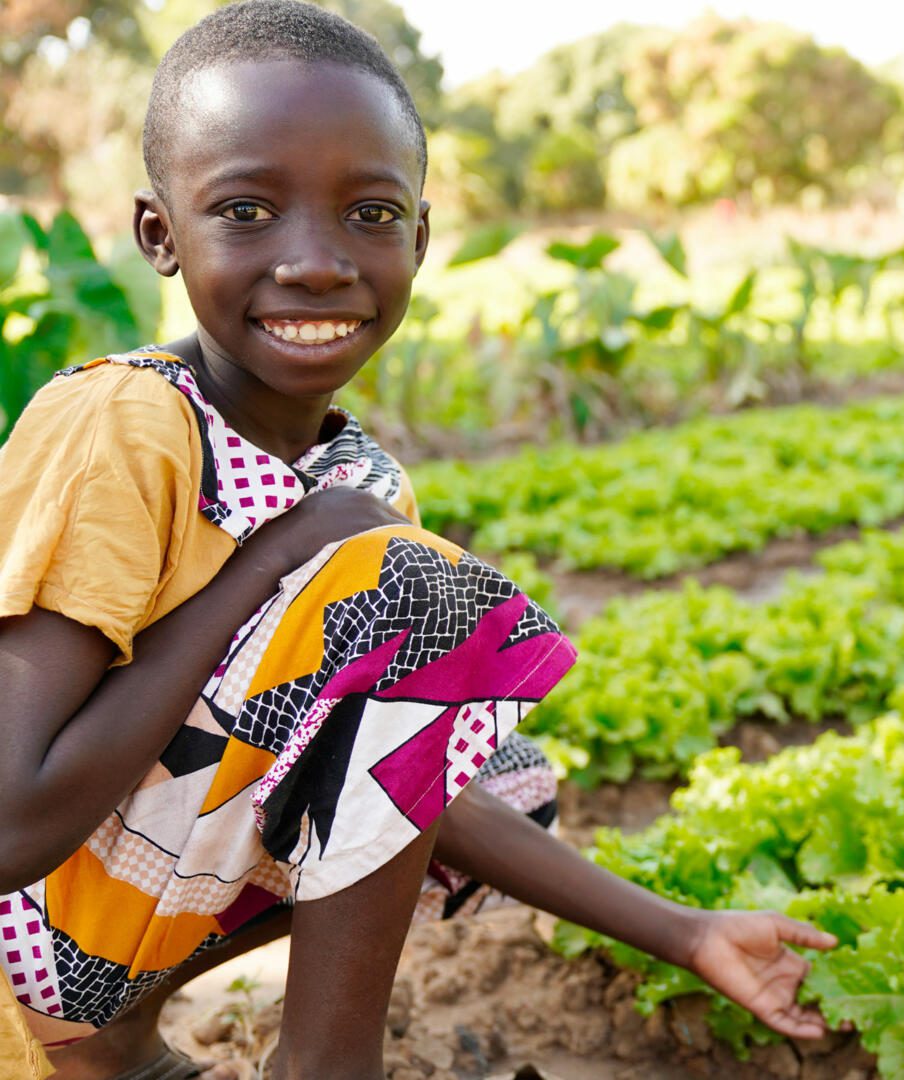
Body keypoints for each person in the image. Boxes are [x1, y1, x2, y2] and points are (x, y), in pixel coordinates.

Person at [0, 3, 839, 1078]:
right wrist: (274, 556)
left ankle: (120, 1040)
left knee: (500, 764)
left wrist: (683, 930)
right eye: (247, 210)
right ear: (160, 234)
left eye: (369, 213)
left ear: (421, 239)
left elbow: (400, 785)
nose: (314, 262)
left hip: (100, 942)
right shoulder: (124, 426)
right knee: (406, 598)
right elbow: (10, 826)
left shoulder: (355, 479)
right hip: (28, 939)